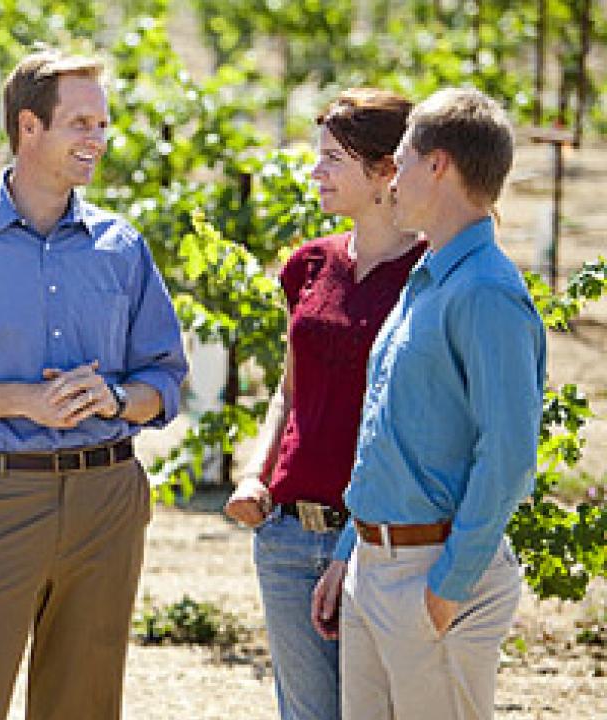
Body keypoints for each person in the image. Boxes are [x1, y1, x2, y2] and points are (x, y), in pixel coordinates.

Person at [0, 49, 188, 720]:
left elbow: (165, 379)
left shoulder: (122, 245)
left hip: (108, 498)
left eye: (103, 125)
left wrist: (115, 398)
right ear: (29, 126)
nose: (97, 140)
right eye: (80, 123)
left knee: (84, 707)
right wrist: (24, 398)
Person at [310, 88, 546, 720]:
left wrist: (449, 589)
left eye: (403, 155)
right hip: (374, 566)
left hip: (432, 575)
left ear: (438, 165)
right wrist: (348, 553)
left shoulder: (487, 293)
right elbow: (384, 432)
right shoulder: (428, 278)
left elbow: (510, 452)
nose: (394, 172)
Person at [223, 88, 424, 720]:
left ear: (386, 170)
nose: (316, 172)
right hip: (285, 535)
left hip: (380, 542)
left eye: (333, 159)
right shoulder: (307, 266)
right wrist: (256, 474)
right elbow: (290, 389)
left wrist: (357, 547)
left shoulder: (432, 277)